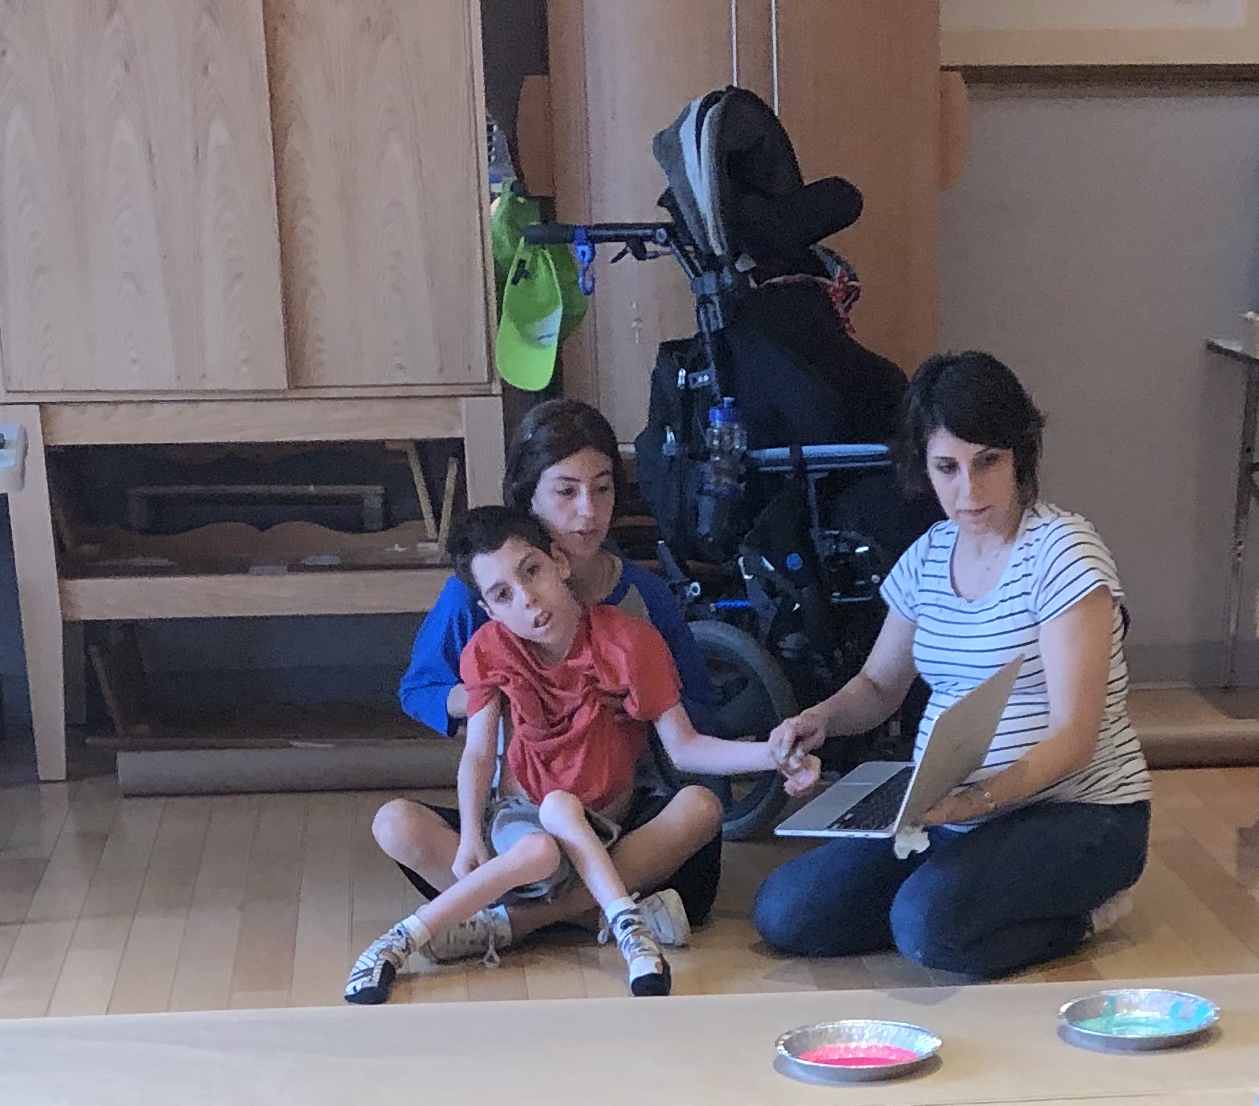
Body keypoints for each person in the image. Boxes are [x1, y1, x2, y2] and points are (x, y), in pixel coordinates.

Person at [754, 351, 1150, 983]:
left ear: (1019, 456)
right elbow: (879, 687)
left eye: (987, 461)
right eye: (947, 468)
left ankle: (1083, 911)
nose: (968, 491)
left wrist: (975, 803)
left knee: (928, 928)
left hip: (1080, 813)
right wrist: (819, 719)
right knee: (785, 914)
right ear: (924, 469)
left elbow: (1076, 738)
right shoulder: (928, 556)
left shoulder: (1063, 551)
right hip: (952, 808)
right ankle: (961, 895)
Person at [344, 505, 794, 1006]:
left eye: (531, 571)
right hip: (521, 830)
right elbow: (477, 754)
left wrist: (773, 755)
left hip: (608, 827)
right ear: (490, 611)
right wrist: (471, 835)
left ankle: (506, 926)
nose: (528, 600)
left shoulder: (629, 641)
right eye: (503, 595)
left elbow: (686, 747)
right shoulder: (490, 649)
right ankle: (610, 916)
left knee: (701, 807)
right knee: (396, 823)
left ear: (559, 561)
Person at [377, 396, 732, 950]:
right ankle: (600, 910)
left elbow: (698, 715)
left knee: (699, 820)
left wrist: (636, 704)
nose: (588, 512)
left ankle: (516, 922)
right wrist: (493, 699)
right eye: (566, 491)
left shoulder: (644, 596)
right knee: (398, 825)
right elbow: (418, 689)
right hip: (516, 822)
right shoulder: (479, 594)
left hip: (617, 817)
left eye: (603, 487)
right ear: (529, 497)